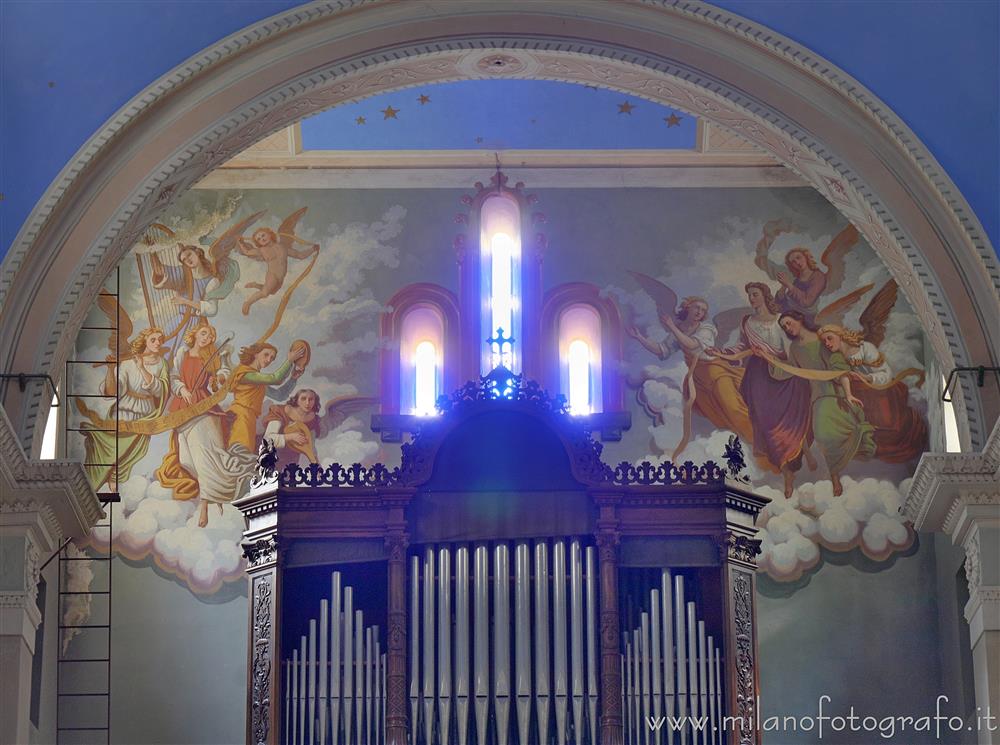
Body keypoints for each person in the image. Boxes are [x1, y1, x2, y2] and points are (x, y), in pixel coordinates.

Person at [711, 283, 814, 496]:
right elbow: (741, 346)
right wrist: (722, 352)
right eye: (749, 296)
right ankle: (785, 470)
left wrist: (789, 364)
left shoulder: (780, 320)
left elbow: (791, 347)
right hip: (759, 375)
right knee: (766, 423)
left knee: (792, 417)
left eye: (755, 295)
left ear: (765, 296)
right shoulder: (747, 322)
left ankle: (798, 456)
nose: (752, 299)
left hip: (784, 373)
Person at [627, 296, 757, 460]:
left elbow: (692, 345)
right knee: (717, 416)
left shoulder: (707, 328)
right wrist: (640, 337)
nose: (699, 312)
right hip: (697, 378)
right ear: (687, 308)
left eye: (703, 310)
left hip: (715, 371)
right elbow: (661, 350)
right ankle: (740, 448)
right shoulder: (680, 329)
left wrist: (673, 327)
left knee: (733, 407)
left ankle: (758, 440)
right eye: (696, 308)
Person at [155, 319, 256, 527]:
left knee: (205, 458)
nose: (207, 338)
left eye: (210, 336)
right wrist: (182, 389)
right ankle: (218, 495)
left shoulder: (212, 356)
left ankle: (205, 508)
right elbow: (174, 375)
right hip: (183, 407)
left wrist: (219, 377)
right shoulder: (182, 353)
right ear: (195, 334)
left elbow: (223, 374)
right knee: (187, 460)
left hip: (204, 407)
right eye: (204, 334)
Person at [778, 312, 876, 496]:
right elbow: (791, 369)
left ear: (799, 319)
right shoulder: (795, 348)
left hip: (833, 392)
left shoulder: (821, 339)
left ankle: (835, 477)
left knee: (827, 434)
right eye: (784, 327)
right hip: (816, 396)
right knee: (822, 436)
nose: (787, 328)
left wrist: (848, 394)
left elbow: (839, 366)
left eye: (788, 323)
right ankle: (835, 477)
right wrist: (770, 361)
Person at [818, 324, 928, 462]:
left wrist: (868, 378)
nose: (827, 343)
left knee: (891, 425)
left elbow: (885, 373)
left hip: (882, 391)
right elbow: (843, 377)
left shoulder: (865, 348)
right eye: (824, 341)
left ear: (840, 336)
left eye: (829, 338)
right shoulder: (836, 358)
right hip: (863, 398)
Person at [83, 327, 169, 491]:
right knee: (115, 448)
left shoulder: (161, 364)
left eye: (160, 340)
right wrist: (110, 369)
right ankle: (104, 484)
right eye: (153, 339)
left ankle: (114, 482)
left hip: (147, 414)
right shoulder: (128, 363)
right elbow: (113, 391)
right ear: (144, 341)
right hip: (124, 411)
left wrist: (142, 368)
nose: (158, 342)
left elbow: (160, 390)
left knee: (132, 452)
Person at [227, 342, 306, 451]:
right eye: (266, 355)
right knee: (240, 454)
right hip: (240, 417)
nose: (269, 359)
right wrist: (289, 361)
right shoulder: (245, 374)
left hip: (249, 419)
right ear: (255, 354)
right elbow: (274, 379)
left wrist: (293, 379)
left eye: (272, 358)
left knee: (244, 455)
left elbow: (279, 395)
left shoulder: (258, 381)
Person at [261, 389, 323, 466]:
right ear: (296, 400)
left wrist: (316, 465)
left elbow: (310, 447)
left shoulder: (314, 420)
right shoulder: (280, 412)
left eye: (311, 399)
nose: (307, 403)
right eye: (303, 399)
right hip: (269, 456)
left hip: (290, 461)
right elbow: (267, 440)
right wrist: (291, 437)